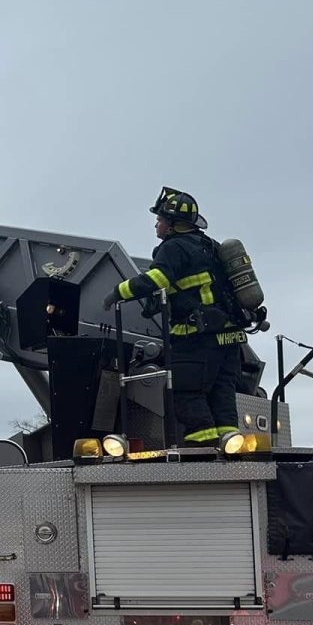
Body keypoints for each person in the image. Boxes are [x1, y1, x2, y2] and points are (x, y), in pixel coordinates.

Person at [104, 188, 247, 445]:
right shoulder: (209, 246)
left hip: (197, 338)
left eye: (159, 220)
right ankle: (229, 444)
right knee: (221, 393)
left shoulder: (172, 248)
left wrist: (117, 292)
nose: (156, 225)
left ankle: (202, 445)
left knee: (186, 392)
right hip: (229, 337)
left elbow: (157, 279)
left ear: (172, 225)